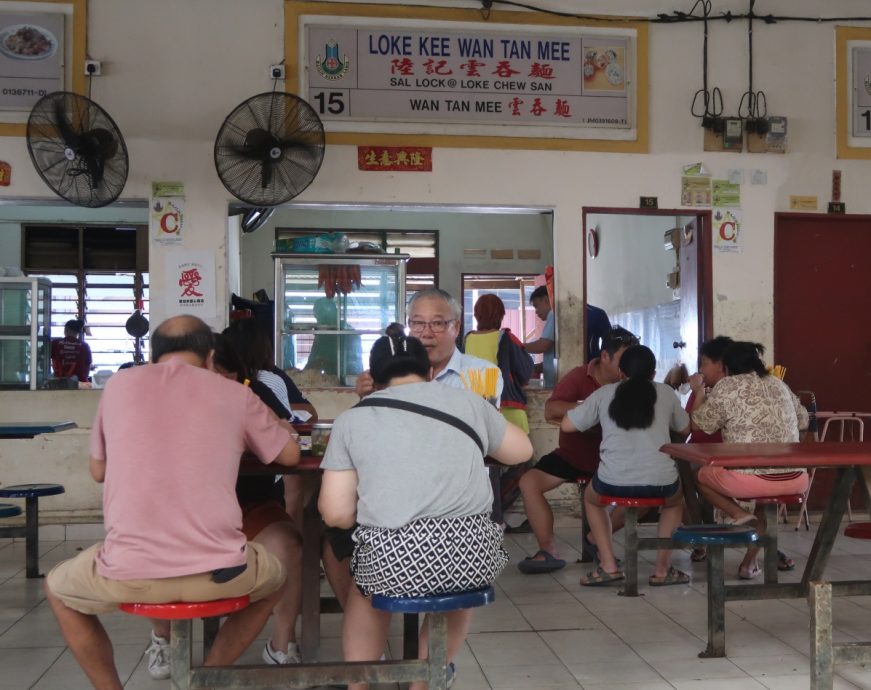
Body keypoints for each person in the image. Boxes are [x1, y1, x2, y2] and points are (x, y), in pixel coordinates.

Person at [43, 315, 299, 690]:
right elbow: (290, 456)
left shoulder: (119, 387)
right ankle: (207, 678)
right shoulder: (233, 393)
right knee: (277, 575)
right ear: (210, 356)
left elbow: (98, 471)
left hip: (129, 574)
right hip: (219, 574)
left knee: (57, 589)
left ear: (153, 356)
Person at [319, 332, 533, 690]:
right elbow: (521, 452)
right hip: (471, 556)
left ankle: (360, 685)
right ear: (430, 370)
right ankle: (427, 681)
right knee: (458, 590)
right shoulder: (469, 402)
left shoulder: (353, 420)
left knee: (364, 591)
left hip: (393, 561)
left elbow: (336, 515)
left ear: (374, 377)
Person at [563, 345, 691, 587]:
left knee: (592, 501)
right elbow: (685, 429)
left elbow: (567, 426)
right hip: (660, 482)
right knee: (675, 503)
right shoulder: (665, 393)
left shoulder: (604, 393)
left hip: (612, 481)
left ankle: (608, 565)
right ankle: (663, 570)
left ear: (620, 372)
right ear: (653, 374)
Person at [211, 334, 304, 668]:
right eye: (213, 373)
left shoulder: (252, 395)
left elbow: (290, 439)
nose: (220, 382)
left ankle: (282, 643)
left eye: (228, 374)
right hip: (196, 514)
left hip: (251, 505)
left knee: (289, 543)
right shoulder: (178, 404)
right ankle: (163, 639)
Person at [516, 326, 640, 574]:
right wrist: (587, 407)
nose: (627, 367)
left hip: (614, 461)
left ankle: (597, 537)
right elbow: (551, 410)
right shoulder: (578, 377)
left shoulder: (634, 383)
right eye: (622, 360)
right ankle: (548, 550)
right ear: (605, 356)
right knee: (529, 482)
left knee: (647, 491)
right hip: (572, 457)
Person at [690, 341, 809, 579]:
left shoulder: (728, 386)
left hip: (749, 481)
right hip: (796, 479)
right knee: (766, 509)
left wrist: (699, 392)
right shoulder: (780, 384)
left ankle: (738, 514)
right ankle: (748, 565)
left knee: (700, 476)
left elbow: (698, 424)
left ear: (726, 366)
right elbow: (804, 421)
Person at [356, 288, 503, 402]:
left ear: (456, 328)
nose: (426, 333)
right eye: (418, 323)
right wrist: (368, 397)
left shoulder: (484, 374)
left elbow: (486, 430)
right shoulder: (392, 372)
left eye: (437, 323)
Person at [463, 294, 534, 433]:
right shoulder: (506, 338)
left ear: (477, 315)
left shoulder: (468, 339)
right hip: (507, 409)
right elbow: (525, 370)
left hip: (477, 411)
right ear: (501, 315)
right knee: (518, 453)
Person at [304, 296, 363, 379]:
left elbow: (353, 365)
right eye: (317, 318)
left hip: (351, 381)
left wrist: (326, 363)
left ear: (335, 313)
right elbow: (312, 363)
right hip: (332, 381)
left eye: (322, 317)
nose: (319, 321)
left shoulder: (349, 333)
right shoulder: (322, 336)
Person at [524, 286, 556, 387]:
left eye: (537, 306)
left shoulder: (553, 315)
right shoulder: (554, 317)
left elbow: (542, 346)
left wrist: (518, 347)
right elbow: (552, 359)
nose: (536, 311)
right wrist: (536, 367)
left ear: (546, 300)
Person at [51, 318, 92, 382]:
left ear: (66, 329)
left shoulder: (56, 343)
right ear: (78, 332)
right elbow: (87, 366)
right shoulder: (84, 346)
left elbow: (46, 357)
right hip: (79, 383)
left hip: (59, 383)